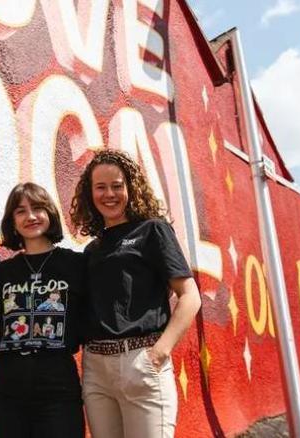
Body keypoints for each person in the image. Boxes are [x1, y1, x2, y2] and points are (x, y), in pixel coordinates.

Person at [70, 149, 201, 438]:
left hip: (142, 361)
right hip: (96, 370)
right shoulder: (93, 249)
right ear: (90, 194)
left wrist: (159, 353)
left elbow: (190, 296)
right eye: (100, 187)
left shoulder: (153, 231)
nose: (109, 194)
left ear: (131, 187)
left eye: (117, 186)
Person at [0, 182, 85, 438]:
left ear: (50, 213)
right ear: (12, 221)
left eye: (38, 208)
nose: (30, 216)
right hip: (7, 386)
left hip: (58, 384)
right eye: (20, 211)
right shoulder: (2, 272)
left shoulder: (76, 264)